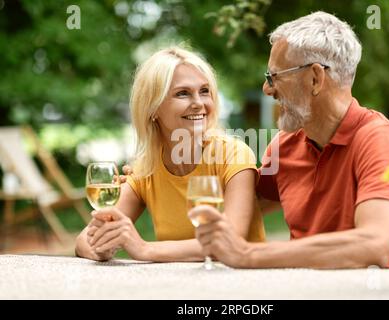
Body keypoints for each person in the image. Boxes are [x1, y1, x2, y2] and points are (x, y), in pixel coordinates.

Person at [190, 11, 389, 269]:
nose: (267, 89)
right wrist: (150, 175)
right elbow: (230, 208)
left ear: (315, 78)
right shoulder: (284, 147)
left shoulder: (378, 139)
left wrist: (249, 255)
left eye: (275, 76)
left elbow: (373, 244)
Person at [75, 47, 265, 262]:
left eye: (204, 91)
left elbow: (229, 240)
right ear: (152, 108)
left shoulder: (234, 155)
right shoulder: (145, 168)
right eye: (182, 93)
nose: (199, 103)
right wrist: (100, 249)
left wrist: (145, 249)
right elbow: (84, 240)